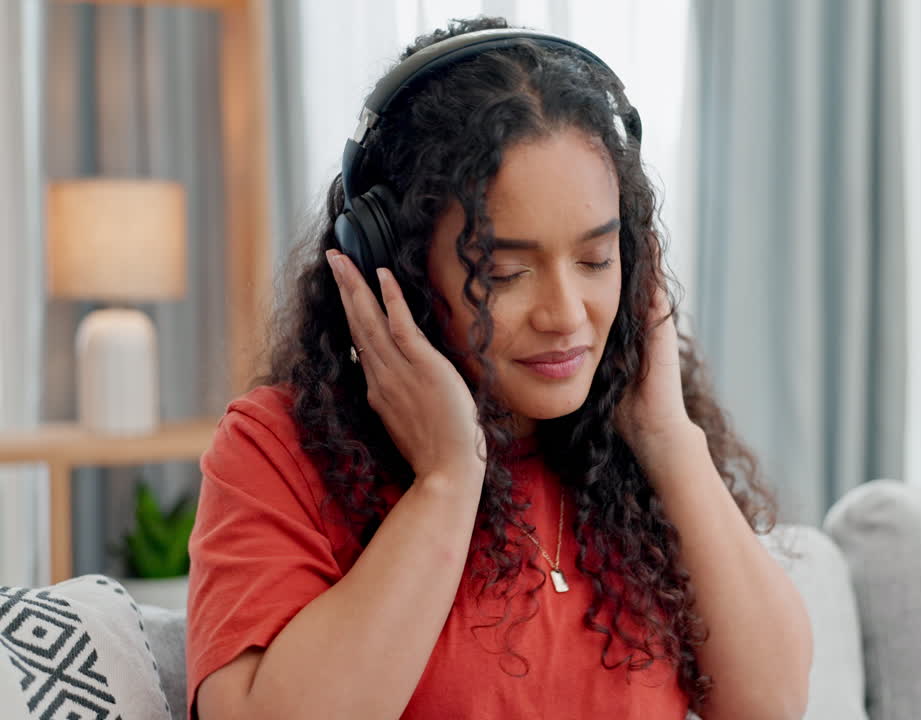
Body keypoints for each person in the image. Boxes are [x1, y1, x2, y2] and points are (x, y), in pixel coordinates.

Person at [185, 16, 812, 720]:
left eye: (597, 260)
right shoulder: (275, 449)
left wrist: (666, 434)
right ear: (396, 264)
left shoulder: (633, 456)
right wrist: (448, 479)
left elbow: (774, 705)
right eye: (506, 271)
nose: (566, 314)